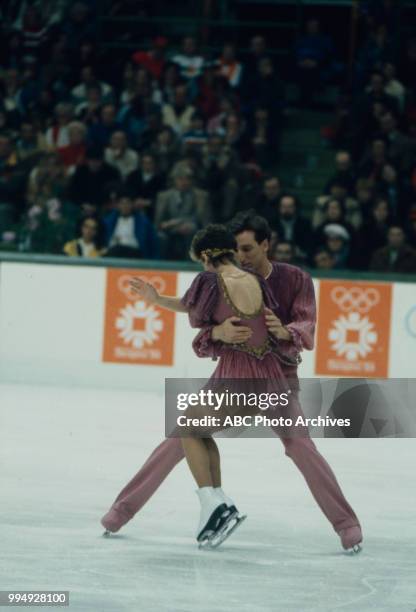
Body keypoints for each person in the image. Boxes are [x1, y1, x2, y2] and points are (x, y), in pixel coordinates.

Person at [101, 212, 363, 553]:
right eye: (235, 249)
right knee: (179, 439)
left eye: (248, 248)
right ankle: (122, 511)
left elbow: (306, 322)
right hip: (231, 372)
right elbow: (202, 313)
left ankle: (347, 524)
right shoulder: (227, 280)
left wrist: (286, 331)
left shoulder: (294, 278)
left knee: (300, 446)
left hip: (278, 377)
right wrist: (215, 331)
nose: (242, 256)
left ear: (266, 245)